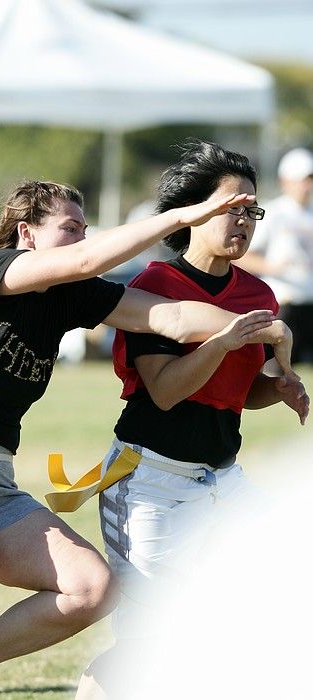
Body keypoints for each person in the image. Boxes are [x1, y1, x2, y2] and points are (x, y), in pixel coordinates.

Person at [0, 179, 280, 700]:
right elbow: (86, 263)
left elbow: (172, 317)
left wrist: (257, 328)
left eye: (85, 229)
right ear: (27, 234)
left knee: (91, 589)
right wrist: (184, 217)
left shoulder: (70, 296)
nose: (83, 240)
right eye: (69, 229)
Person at [75, 142, 310, 699]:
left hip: (222, 475)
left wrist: (274, 389)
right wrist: (227, 337)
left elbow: (231, 394)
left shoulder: (257, 292)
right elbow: (165, 391)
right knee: (148, 640)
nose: (244, 223)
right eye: (232, 208)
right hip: (151, 479)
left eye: (252, 212)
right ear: (194, 212)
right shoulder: (155, 287)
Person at [238, 147, 313, 364]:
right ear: (285, 181)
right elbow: (242, 256)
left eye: (309, 179)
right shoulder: (273, 213)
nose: (306, 185)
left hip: (310, 302)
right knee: (279, 370)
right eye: (301, 179)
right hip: (283, 303)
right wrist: (274, 267)